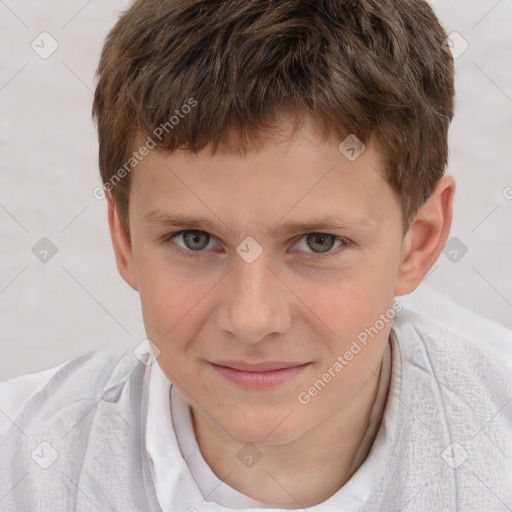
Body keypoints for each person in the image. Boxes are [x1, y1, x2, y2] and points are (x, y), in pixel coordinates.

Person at [1, 0, 511, 510]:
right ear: (126, 241)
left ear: (417, 242)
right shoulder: (22, 461)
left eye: (318, 243)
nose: (250, 319)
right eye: (194, 240)